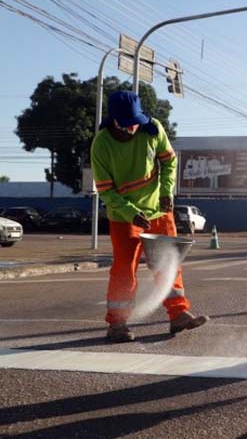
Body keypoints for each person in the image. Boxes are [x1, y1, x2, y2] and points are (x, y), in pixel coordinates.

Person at [91, 91, 209, 343]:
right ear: (114, 120)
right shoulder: (101, 144)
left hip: (158, 211)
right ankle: (117, 324)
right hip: (125, 218)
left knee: (168, 265)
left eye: (136, 121)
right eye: (127, 123)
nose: (133, 127)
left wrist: (167, 192)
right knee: (124, 270)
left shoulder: (152, 128)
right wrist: (130, 213)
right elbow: (106, 190)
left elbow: (169, 162)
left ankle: (178, 314)